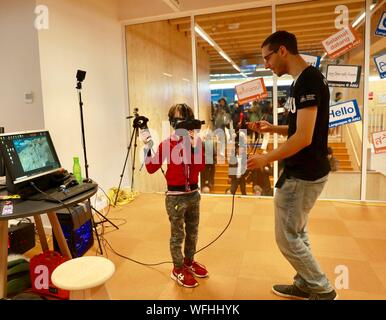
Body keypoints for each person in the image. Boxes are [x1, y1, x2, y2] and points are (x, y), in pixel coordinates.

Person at [247, 31, 337, 300]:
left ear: (282, 51)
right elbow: (300, 127)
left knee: (287, 237)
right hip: (306, 171)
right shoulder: (304, 79)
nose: (266, 64)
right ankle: (305, 283)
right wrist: (272, 128)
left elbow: (303, 138)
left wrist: (266, 157)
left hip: (303, 174)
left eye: (267, 58)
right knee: (297, 232)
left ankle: (321, 289)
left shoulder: (308, 81)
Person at [145, 103, 208, 288]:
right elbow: (150, 168)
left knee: (193, 232)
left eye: (188, 120)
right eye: (181, 120)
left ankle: (189, 262)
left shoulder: (197, 143)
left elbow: (200, 167)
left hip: (193, 194)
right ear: (173, 123)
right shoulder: (167, 144)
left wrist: (194, 146)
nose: (185, 124)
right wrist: (147, 146)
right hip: (175, 197)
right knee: (177, 234)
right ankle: (178, 268)